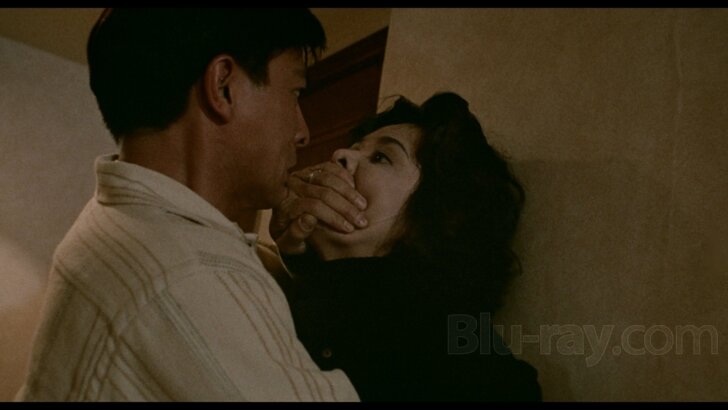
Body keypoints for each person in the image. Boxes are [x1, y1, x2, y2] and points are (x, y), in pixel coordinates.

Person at [16, 8, 360, 401]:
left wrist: (300, 256)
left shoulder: (117, 220)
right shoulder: (190, 274)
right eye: (295, 93)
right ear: (223, 86)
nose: (303, 132)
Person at [265, 92, 542, 401]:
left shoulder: (454, 351)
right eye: (355, 148)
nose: (339, 154)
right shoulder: (280, 290)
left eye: (380, 157)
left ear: (434, 216)